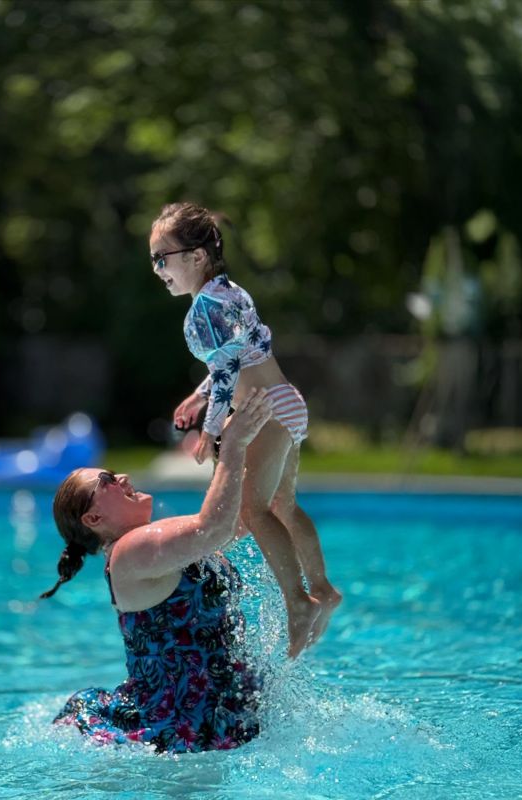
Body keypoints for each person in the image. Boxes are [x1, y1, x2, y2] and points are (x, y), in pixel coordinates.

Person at [149, 202, 341, 658]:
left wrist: (211, 428)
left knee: (254, 511)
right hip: (286, 401)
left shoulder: (203, 309)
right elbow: (239, 356)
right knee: (283, 506)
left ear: (196, 256)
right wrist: (199, 396)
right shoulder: (230, 293)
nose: (157, 270)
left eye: (162, 259)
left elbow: (227, 368)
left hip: (264, 411)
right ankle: (322, 587)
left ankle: (298, 601)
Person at [40, 389, 272, 754]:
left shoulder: (153, 543)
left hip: (226, 709)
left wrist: (257, 437)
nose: (122, 477)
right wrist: (233, 447)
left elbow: (240, 517)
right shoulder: (128, 552)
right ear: (94, 519)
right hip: (177, 729)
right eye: (107, 481)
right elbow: (215, 528)